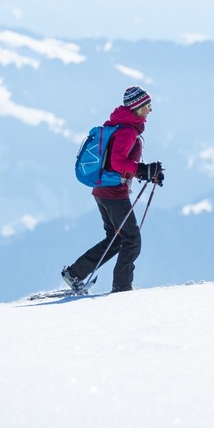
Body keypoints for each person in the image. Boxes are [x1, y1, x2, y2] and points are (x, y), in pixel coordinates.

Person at [62, 86, 165, 293]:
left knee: (116, 239)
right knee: (131, 240)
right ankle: (122, 287)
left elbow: (117, 163)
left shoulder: (121, 125)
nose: (150, 110)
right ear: (136, 107)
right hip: (113, 193)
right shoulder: (127, 130)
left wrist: (146, 172)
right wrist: (143, 171)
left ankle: (75, 273)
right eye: (147, 105)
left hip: (103, 191)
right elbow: (118, 163)